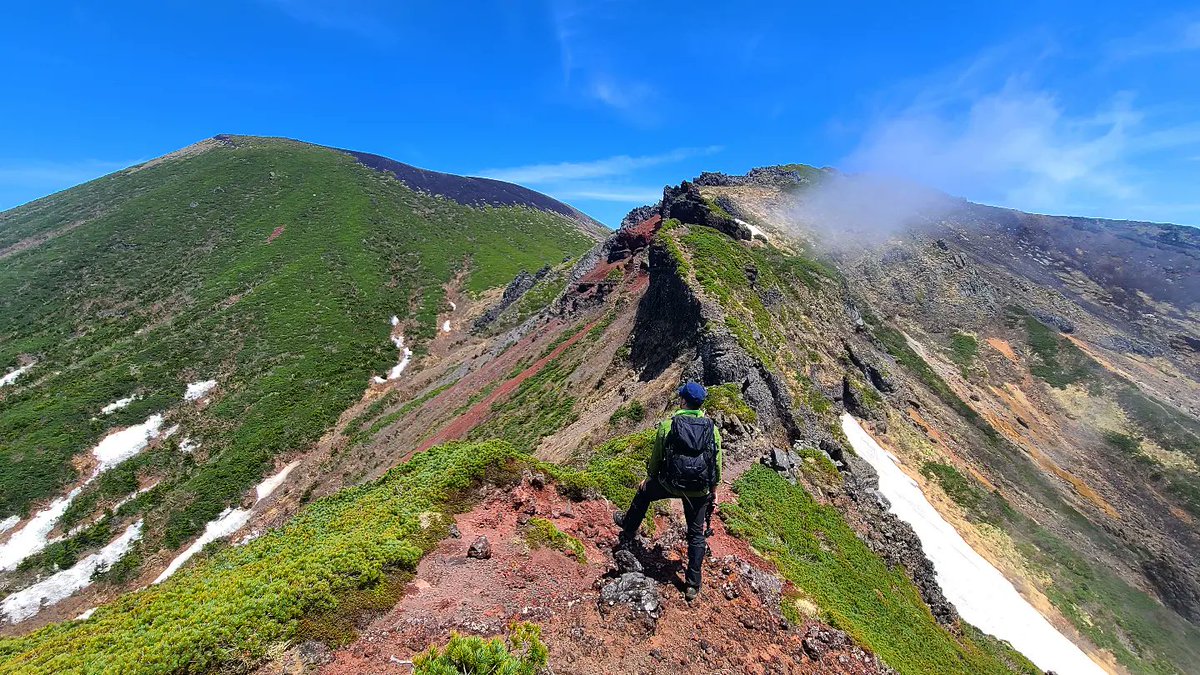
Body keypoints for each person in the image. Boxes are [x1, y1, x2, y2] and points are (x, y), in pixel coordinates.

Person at [614, 381, 723, 601]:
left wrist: (650, 478)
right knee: (696, 534)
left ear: (683, 400)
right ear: (700, 404)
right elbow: (717, 462)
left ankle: (628, 528)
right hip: (699, 491)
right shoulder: (712, 429)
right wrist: (714, 489)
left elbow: (657, 457)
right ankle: (692, 585)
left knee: (644, 494)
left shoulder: (668, 425)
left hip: (670, 483)